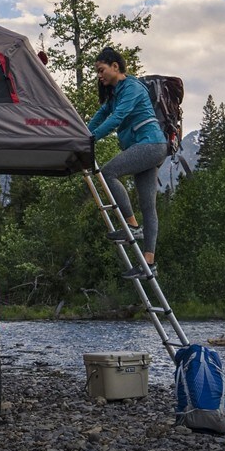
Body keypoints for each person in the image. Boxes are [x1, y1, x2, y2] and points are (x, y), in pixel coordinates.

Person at [88, 47, 167, 279]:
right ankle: (149, 263)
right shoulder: (115, 94)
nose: (99, 76)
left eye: (101, 70)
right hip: (147, 148)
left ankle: (132, 226)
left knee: (108, 172)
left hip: (151, 145)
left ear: (115, 66)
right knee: (148, 205)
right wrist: (82, 133)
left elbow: (117, 118)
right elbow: (101, 115)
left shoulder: (131, 88)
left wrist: (89, 140)